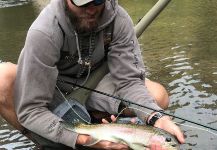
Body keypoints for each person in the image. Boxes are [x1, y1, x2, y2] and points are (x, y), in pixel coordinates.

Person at [0, 0, 185, 149]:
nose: (91, 9)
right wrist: (83, 139)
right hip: (53, 85)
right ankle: (48, 141)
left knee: (157, 97)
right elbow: (30, 109)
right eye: (82, 2)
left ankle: (108, 129)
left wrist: (157, 117)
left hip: (96, 82)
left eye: (97, 1)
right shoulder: (44, 31)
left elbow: (129, 82)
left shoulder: (118, 20)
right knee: (2, 78)